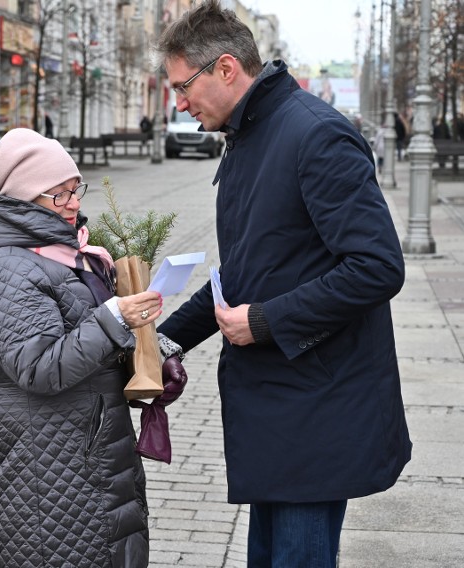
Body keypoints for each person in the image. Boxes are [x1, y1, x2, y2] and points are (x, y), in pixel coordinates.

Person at [152, 2, 411, 567]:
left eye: (181, 87)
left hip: (316, 407)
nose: (178, 103)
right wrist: (163, 342)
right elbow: (246, 273)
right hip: (279, 408)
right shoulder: (250, 137)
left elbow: (378, 266)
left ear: (225, 69)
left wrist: (265, 320)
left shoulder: (313, 134)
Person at [0, 127, 162, 567]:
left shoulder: (66, 252)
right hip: (42, 466)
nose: (73, 204)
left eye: (75, 190)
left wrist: (151, 348)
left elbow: (85, 336)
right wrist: (114, 320)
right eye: (58, 195)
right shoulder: (5, 267)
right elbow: (41, 368)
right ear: (24, 197)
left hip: (83, 452)